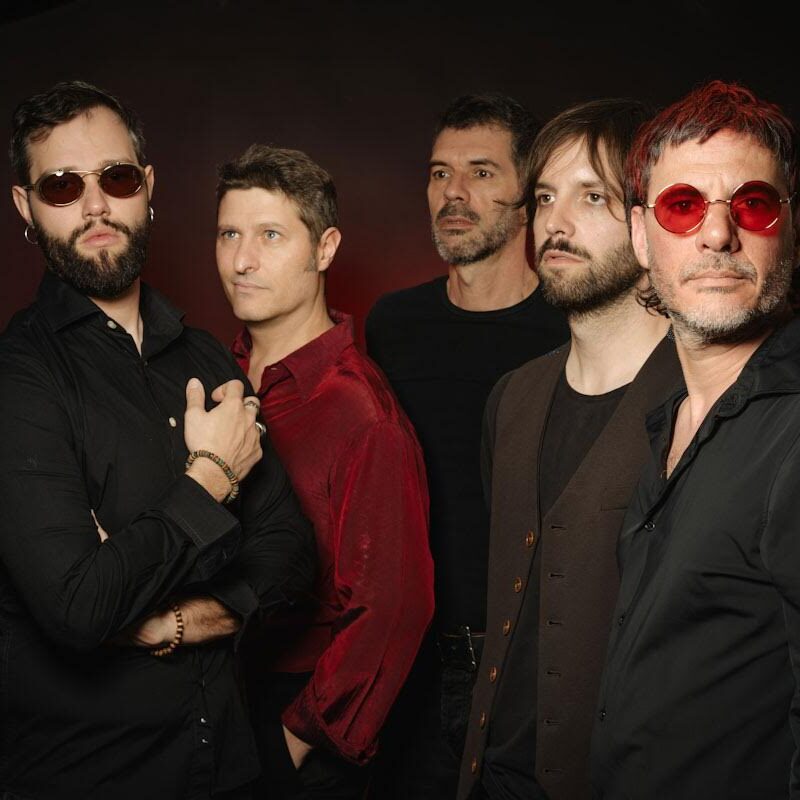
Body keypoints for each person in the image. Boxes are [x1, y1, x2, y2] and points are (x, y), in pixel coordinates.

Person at [0, 81, 316, 800]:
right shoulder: (19, 380)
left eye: (115, 178)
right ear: (25, 207)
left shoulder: (204, 358)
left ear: (147, 187)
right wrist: (209, 478)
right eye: (61, 186)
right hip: (89, 780)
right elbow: (80, 609)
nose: (94, 206)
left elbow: (292, 554)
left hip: (230, 773)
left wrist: (175, 619)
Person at [457, 99, 681, 800]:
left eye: (592, 197)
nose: (555, 222)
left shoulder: (700, 400)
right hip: (492, 777)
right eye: (547, 197)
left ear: (646, 225)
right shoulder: (512, 399)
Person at [591, 81, 800, 798]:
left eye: (753, 204)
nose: (717, 235)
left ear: (790, 228)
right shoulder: (670, 419)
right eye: (683, 205)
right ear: (640, 235)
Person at [215, 144, 434, 799]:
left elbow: (393, 608)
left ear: (325, 248)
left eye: (270, 235)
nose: (242, 260)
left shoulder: (361, 412)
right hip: (210, 700)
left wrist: (296, 740)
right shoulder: (213, 379)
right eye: (229, 234)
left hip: (294, 717)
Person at [366, 94, 569, 798]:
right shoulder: (394, 324)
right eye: (439, 173)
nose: (453, 193)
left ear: (528, 192)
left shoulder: (571, 328)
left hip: (529, 671)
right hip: (411, 667)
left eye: (481, 172)